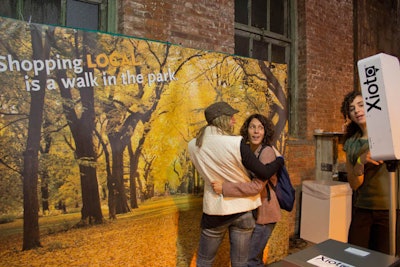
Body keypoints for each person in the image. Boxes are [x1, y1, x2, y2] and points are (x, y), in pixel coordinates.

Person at [188, 102, 284, 267]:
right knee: (240, 263)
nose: (234, 121)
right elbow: (264, 173)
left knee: (204, 261)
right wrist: (280, 161)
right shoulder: (236, 143)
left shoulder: (193, 145)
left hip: (215, 210)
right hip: (243, 210)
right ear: (222, 120)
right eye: (231, 117)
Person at [212, 114, 281, 267]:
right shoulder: (247, 150)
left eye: (260, 128)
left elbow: (257, 186)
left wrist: (225, 188)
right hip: (252, 211)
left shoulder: (267, 152)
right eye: (252, 127)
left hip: (265, 214)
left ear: (265, 132)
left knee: (251, 259)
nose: (256, 131)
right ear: (247, 130)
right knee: (253, 258)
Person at [341, 90, 399, 255]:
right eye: (352, 108)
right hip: (362, 209)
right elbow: (354, 184)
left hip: (391, 210)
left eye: (361, 105)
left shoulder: (392, 134)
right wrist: (360, 162)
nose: (357, 111)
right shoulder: (351, 143)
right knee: (354, 256)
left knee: (385, 260)